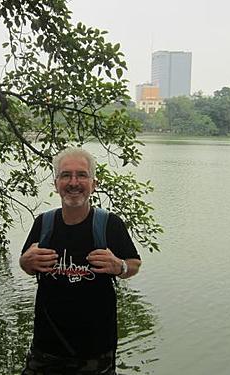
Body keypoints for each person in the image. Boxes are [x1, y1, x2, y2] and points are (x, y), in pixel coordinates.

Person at [19, 147, 142, 375]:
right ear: (56, 184)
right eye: (66, 175)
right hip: (46, 348)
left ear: (93, 184)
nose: (73, 182)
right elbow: (28, 265)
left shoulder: (109, 225)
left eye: (81, 175)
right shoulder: (44, 224)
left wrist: (120, 266)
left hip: (96, 351)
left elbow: (133, 263)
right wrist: (24, 262)